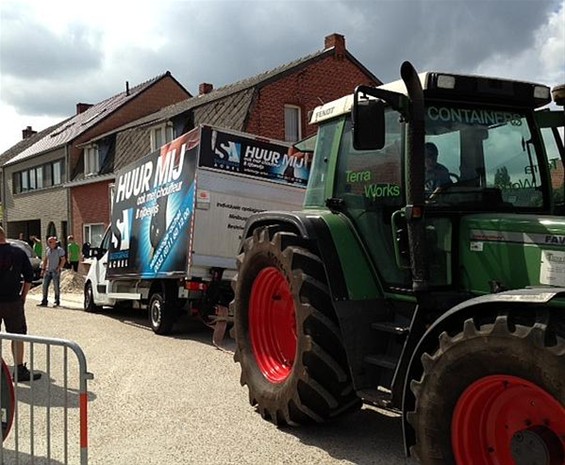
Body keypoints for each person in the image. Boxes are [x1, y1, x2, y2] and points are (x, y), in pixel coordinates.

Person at [0, 226, 41, 381]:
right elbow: (29, 277)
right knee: (17, 335)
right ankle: (19, 370)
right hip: (13, 301)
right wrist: (23, 296)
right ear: (4, 236)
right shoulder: (18, 252)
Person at [38, 236, 66, 307]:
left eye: (50, 242)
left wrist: (59, 268)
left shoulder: (60, 250)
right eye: (48, 242)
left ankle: (57, 301)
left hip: (55, 271)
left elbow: (63, 260)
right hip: (48, 271)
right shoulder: (48, 250)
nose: (49, 243)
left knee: (56, 286)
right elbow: (45, 259)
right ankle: (44, 300)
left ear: (54, 242)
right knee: (44, 286)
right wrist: (43, 269)